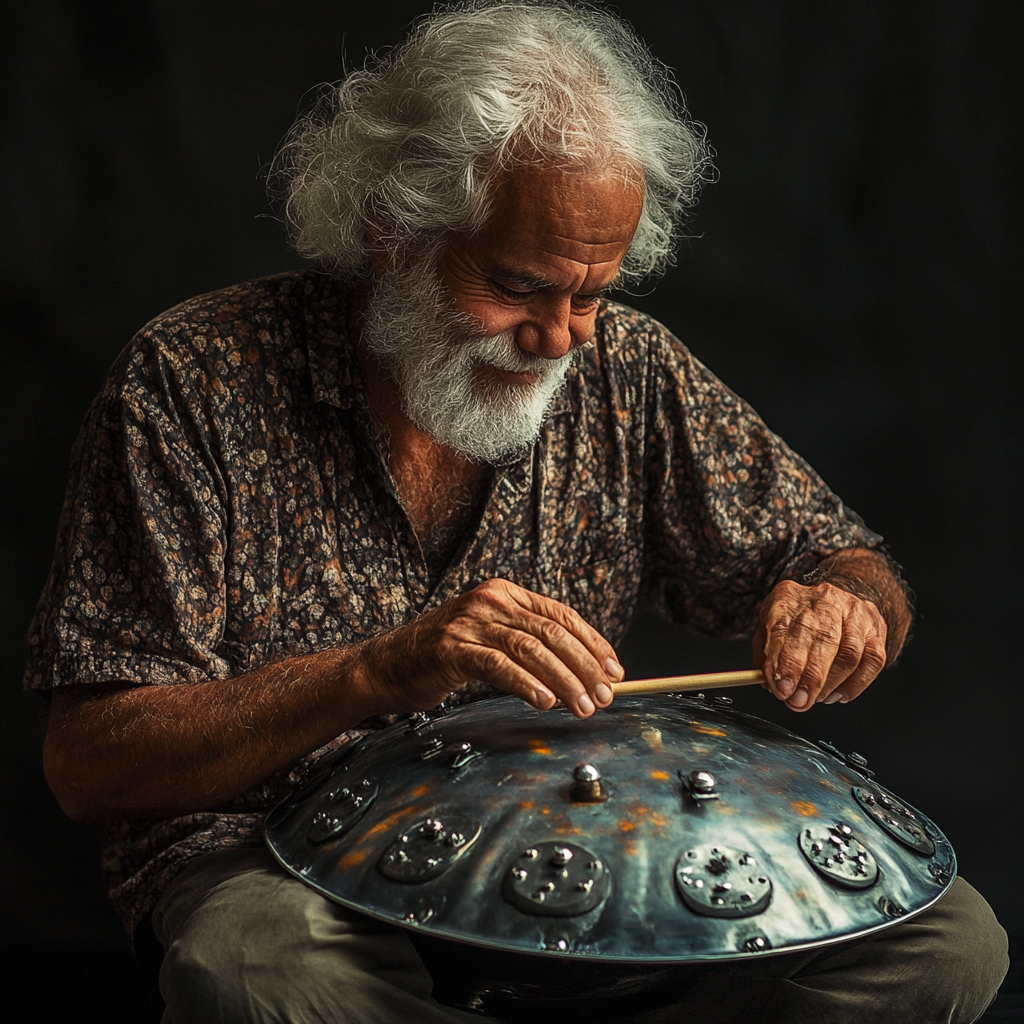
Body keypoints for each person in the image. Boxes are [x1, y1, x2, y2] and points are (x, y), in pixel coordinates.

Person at [27, 2, 1006, 1021]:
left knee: (946, 945)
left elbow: (844, 559)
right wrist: (377, 671)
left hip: (579, 860)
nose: (557, 339)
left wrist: (845, 602)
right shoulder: (191, 381)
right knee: (257, 973)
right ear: (393, 228)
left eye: (588, 295)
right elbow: (92, 763)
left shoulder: (621, 364)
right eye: (519, 287)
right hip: (290, 865)